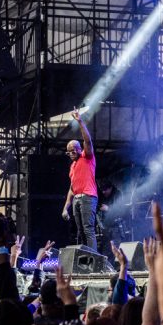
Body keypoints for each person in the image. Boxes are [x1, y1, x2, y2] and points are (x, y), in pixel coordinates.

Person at [62, 107, 98, 251]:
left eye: (72, 151)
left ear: (78, 149)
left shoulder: (87, 157)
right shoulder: (72, 166)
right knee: (80, 231)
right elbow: (71, 189)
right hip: (77, 199)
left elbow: (87, 141)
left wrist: (80, 121)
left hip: (88, 197)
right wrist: (65, 208)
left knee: (88, 229)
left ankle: (94, 259)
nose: (71, 153)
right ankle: (84, 259)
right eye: (68, 152)